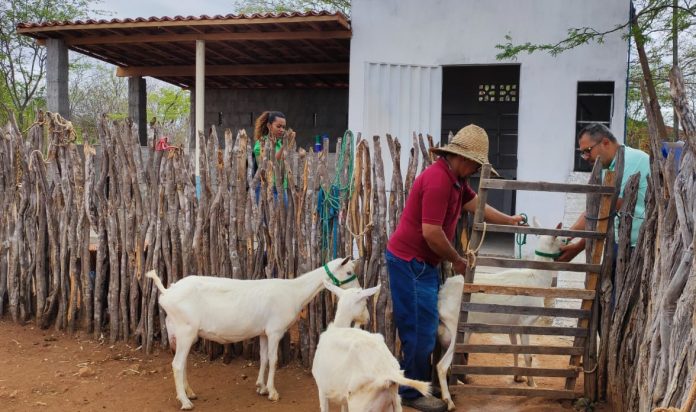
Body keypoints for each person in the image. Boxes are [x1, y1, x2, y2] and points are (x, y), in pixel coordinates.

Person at [386, 124, 525, 412]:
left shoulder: (456, 181)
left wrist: (509, 220)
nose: (476, 169)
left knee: (424, 327)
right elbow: (431, 233)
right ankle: (410, 393)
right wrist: (458, 261)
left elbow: (477, 205)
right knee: (419, 330)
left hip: (423, 264)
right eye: (475, 164)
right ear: (464, 158)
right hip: (411, 263)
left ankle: (413, 382)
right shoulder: (438, 180)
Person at [557, 123, 650, 273]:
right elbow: (596, 213)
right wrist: (567, 238)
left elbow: (605, 211)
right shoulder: (607, 168)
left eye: (588, 151)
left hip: (639, 245)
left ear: (605, 142)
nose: (586, 157)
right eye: (583, 153)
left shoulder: (631, 161)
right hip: (620, 241)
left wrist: (570, 239)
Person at [252, 111, 291, 203]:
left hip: (282, 187)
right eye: (278, 126)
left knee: (281, 217)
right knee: (266, 217)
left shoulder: (279, 144)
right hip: (267, 189)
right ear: (269, 126)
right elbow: (267, 166)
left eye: (283, 127)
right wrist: (284, 147)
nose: (282, 130)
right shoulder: (260, 144)